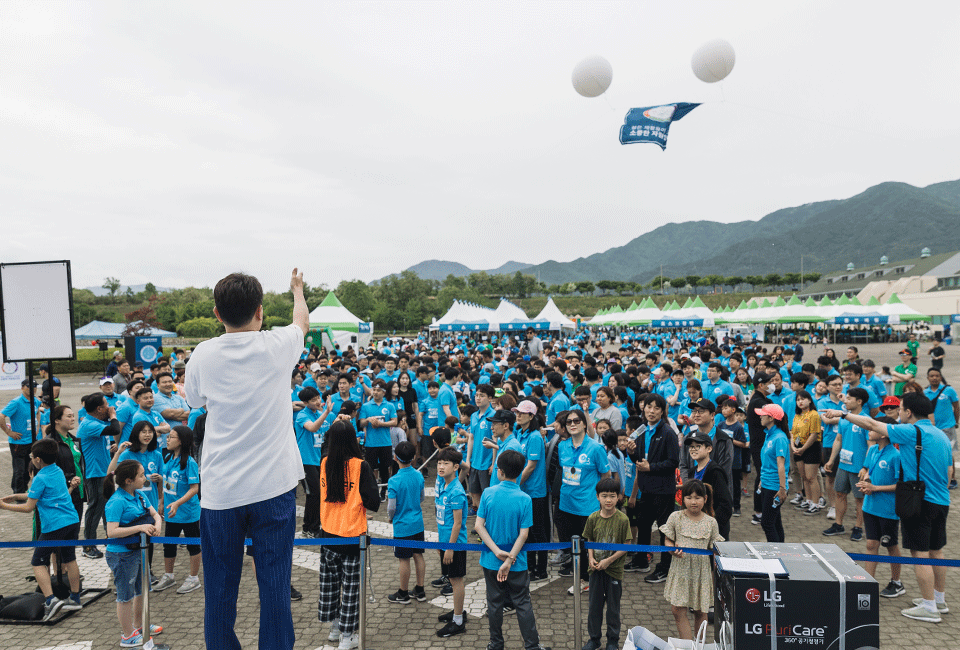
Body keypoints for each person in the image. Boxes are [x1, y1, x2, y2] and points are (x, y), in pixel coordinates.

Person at [184, 269, 308, 650]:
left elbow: (194, 402)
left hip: (221, 491)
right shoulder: (278, 344)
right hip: (274, 487)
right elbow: (301, 320)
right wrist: (297, 290)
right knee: (274, 586)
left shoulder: (203, 354)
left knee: (219, 590)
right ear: (259, 311)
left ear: (217, 314)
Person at [822, 393, 952, 623]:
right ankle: (938, 600)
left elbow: (872, 423)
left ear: (909, 412)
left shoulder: (911, 431)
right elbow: (950, 470)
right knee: (936, 552)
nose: (898, 413)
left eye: (900, 409)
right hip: (942, 501)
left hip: (920, 502)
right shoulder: (940, 434)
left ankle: (929, 607)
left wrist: (843, 413)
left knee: (919, 553)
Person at [0, 438, 83, 621]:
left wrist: (4, 507)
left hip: (55, 525)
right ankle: (75, 598)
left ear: (37, 460)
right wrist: (15, 496)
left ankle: (51, 600)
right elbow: (40, 495)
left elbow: (29, 507)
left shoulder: (40, 477)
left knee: (38, 562)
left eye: (32, 456)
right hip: (71, 520)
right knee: (70, 558)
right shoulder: (57, 470)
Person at [475, 449, 550, 650]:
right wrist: (509, 560)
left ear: (499, 471)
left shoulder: (488, 493)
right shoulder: (525, 499)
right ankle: (532, 645)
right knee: (523, 602)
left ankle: (496, 643)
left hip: (491, 559)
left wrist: (497, 552)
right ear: (519, 472)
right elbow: (524, 534)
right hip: (517, 561)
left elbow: (478, 526)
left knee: (494, 603)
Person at [317, 421, 381, 650]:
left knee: (330, 584)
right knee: (352, 588)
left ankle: (335, 628)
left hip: (328, 533)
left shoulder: (324, 462)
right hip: (352, 535)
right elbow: (374, 502)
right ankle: (347, 636)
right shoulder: (360, 465)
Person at [104, 459, 164, 647]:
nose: (144, 477)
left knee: (141, 590)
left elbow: (154, 514)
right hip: (121, 555)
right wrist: (141, 527)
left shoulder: (139, 496)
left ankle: (139, 625)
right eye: (141, 475)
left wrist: (157, 526)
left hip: (139, 552)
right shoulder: (117, 501)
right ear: (129, 480)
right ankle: (128, 635)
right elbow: (111, 532)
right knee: (125, 595)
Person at [626, 393, 680, 581]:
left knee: (665, 528)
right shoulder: (641, 429)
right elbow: (637, 458)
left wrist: (651, 467)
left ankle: (665, 567)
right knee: (643, 524)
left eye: (657, 408)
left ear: (662, 411)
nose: (651, 411)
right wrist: (631, 452)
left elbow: (674, 462)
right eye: (649, 406)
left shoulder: (667, 432)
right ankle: (641, 559)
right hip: (645, 487)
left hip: (663, 489)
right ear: (643, 408)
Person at [557, 408, 611, 593]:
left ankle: (589, 580)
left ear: (584, 424)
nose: (572, 424)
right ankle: (580, 576)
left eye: (576, 421)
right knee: (572, 545)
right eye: (569, 422)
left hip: (588, 506)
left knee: (589, 546)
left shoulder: (596, 448)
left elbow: (606, 475)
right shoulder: (562, 446)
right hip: (566, 504)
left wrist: (603, 501)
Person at [661, 480, 723, 641]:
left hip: (701, 573)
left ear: (705, 498)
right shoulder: (676, 517)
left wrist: (718, 574)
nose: (693, 502)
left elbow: (716, 549)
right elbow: (667, 540)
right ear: (682, 498)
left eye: (697, 498)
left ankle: (699, 644)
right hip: (680, 570)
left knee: (700, 611)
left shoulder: (711, 522)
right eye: (689, 497)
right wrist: (672, 548)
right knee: (677, 610)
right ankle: (687, 645)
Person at [855, 420, 905, 598]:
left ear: (883, 434)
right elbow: (869, 471)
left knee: (890, 545)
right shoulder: (872, 450)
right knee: (870, 544)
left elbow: (901, 485)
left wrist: (876, 488)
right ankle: (868, 582)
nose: (869, 430)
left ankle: (896, 582)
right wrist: (866, 483)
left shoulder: (896, 456)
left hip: (888, 509)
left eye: (872, 428)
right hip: (870, 506)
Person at [582, 477, 630, 650]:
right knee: (594, 608)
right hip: (595, 571)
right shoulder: (593, 518)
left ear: (618, 497)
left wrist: (608, 561)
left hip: (614, 571)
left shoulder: (623, 520)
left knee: (613, 610)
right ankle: (594, 639)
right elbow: (589, 540)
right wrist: (591, 558)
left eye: (612, 496)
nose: (608, 500)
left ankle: (613, 641)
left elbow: (626, 546)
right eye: (604, 496)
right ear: (597, 497)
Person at [155, 426, 202, 594]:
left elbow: (194, 489)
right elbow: (167, 483)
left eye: (171, 437)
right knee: (169, 545)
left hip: (188, 513)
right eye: (168, 437)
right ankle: (169, 576)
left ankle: (193, 578)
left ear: (181, 441)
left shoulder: (189, 462)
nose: (167, 439)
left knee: (193, 546)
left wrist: (178, 503)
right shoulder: (168, 457)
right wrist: (162, 501)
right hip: (171, 512)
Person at [77, 393, 121, 559]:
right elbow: (116, 429)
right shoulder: (89, 424)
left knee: (106, 507)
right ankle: (88, 546)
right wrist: (113, 416)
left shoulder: (95, 422)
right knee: (95, 508)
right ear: (99, 409)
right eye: (106, 405)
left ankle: (110, 537)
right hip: (94, 474)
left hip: (104, 471)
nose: (109, 407)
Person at [822, 387, 869, 542]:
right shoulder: (844, 418)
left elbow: (871, 445)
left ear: (859, 401)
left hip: (859, 468)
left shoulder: (865, 420)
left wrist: (866, 467)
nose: (845, 401)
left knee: (860, 499)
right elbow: (838, 440)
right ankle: (838, 524)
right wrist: (831, 460)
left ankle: (858, 527)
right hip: (843, 464)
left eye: (849, 399)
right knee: (840, 494)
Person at [434, 447, 469, 638]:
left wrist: (449, 548)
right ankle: (458, 610)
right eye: (439, 462)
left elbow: (457, 524)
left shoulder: (456, 491)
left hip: (455, 544)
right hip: (444, 542)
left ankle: (458, 621)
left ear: (455, 467)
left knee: (456, 580)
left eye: (446, 463)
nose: (441, 466)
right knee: (451, 578)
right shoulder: (442, 482)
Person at [386, 441, 427, 605]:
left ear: (395, 457)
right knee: (418, 555)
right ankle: (420, 589)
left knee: (404, 559)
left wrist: (391, 517)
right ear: (414, 457)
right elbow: (422, 497)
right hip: (418, 523)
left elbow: (391, 507)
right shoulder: (418, 475)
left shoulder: (394, 481)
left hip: (402, 526)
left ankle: (403, 593)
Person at [684, 432, 732, 540]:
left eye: (698, 446)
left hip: (714, 530)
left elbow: (726, 505)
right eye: (691, 447)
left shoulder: (715, 471)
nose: (693, 449)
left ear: (709, 449)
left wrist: (710, 525)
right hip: (696, 528)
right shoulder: (692, 472)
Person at [1, 379, 44, 494]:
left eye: (35, 386)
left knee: (28, 469)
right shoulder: (16, 402)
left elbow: (38, 412)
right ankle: (18, 493)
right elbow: (1, 416)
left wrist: (38, 426)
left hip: (32, 441)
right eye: (29, 386)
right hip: (18, 442)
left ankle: (22, 488)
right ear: (22, 388)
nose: (33, 388)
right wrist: (9, 432)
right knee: (19, 470)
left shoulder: (35, 401)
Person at [755, 403, 790, 543]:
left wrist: (782, 489)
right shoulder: (769, 435)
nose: (760, 417)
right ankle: (781, 549)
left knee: (767, 523)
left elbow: (781, 466)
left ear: (771, 418)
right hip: (766, 483)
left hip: (774, 487)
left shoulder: (779, 438)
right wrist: (762, 480)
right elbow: (767, 462)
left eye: (763, 414)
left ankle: (775, 552)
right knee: (775, 521)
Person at [790, 390, 823, 515]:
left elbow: (814, 434)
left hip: (811, 447)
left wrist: (803, 449)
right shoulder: (797, 415)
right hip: (798, 447)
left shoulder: (814, 414)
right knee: (803, 476)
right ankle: (808, 500)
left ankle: (816, 503)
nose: (800, 402)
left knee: (811, 477)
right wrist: (793, 446)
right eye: (798, 400)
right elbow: (793, 433)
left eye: (803, 399)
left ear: (809, 400)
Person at [924, 368, 959, 489]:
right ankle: (938, 477)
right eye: (932, 376)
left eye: (937, 376)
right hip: (932, 427)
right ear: (928, 377)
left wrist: (955, 422)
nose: (934, 378)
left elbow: (956, 407)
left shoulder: (949, 390)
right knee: (934, 452)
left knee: (949, 452)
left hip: (947, 427)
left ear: (940, 377)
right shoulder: (925, 393)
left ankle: (952, 478)